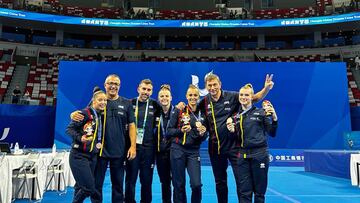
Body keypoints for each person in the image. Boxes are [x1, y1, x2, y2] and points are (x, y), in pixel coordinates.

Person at [197, 73, 274, 203]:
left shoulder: (232, 96)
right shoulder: (204, 102)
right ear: (206, 87)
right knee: (220, 182)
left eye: (215, 84)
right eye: (209, 85)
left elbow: (253, 98)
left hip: (235, 147)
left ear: (220, 84)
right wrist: (181, 107)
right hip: (216, 148)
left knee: (242, 182)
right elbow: (192, 109)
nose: (212, 88)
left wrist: (266, 88)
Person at [70, 74, 137, 203]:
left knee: (118, 186)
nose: (113, 86)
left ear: (120, 86)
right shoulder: (98, 100)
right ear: (105, 85)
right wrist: (73, 114)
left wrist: (133, 146)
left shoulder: (127, 103)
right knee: (96, 186)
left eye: (116, 84)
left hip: (119, 152)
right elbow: (85, 115)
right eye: (110, 83)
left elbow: (132, 126)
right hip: (99, 152)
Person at [226, 84, 278, 203]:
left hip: (259, 155)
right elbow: (233, 139)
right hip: (242, 157)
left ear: (251, 97)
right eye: (242, 95)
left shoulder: (261, 113)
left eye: (246, 95)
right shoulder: (235, 117)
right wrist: (231, 131)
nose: (244, 97)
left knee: (259, 193)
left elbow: (272, 133)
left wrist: (275, 118)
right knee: (244, 192)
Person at [167, 85, 207, 203]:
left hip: (193, 152)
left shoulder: (203, 114)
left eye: (195, 95)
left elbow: (204, 136)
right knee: (178, 184)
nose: (193, 97)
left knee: (196, 184)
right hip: (177, 149)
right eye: (190, 95)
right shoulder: (179, 110)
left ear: (199, 96)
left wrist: (202, 133)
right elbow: (169, 131)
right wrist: (181, 131)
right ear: (186, 96)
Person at [66, 90, 107, 203]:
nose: (103, 102)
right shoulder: (84, 113)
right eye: (100, 100)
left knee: (80, 186)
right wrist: (80, 138)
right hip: (79, 155)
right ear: (93, 101)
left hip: (93, 156)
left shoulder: (101, 114)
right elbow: (69, 129)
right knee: (89, 188)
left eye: (105, 100)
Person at [125, 79, 161, 203]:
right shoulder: (129, 103)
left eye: (149, 90)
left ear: (151, 91)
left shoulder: (155, 105)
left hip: (149, 149)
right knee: (131, 178)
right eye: (144, 89)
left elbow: (169, 109)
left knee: (146, 180)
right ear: (138, 89)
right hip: (132, 147)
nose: (146, 92)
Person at [154, 84, 174, 203]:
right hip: (160, 153)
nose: (164, 98)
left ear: (171, 97)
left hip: (175, 153)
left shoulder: (177, 111)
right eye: (162, 96)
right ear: (158, 98)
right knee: (165, 181)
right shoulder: (155, 113)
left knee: (177, 181)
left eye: (166, 96)